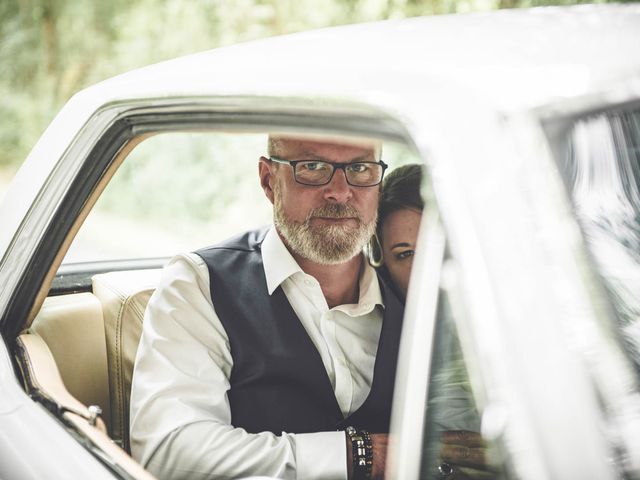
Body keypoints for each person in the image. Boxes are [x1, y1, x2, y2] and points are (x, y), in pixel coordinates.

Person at [129, 134, 404, 480]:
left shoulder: (410, 284)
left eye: (360, 168)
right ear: (268, 180)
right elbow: (167, 450)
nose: (339, 191)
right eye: (313, 167)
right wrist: (358, 455)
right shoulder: (199, 283)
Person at [372, 164, 491, 479]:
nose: (426, 269)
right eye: (405, 254)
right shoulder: (386, 344)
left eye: (436, 247)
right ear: (384, 263)